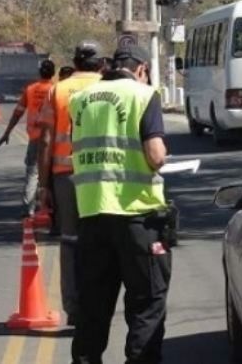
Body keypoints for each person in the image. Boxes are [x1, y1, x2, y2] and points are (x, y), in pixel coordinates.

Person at [69, 44, 170, 364]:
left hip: (92, 213)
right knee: (147, 302)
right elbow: (155, 155)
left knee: (93, 305)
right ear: (142, 69)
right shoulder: (143, 95)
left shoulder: (80, 99)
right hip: (136, 214)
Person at [37, 40, 104, 326]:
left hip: (65, 175)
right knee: (103, 241)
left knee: (70, 241)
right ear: (101, 64)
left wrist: (43, 185)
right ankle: (100, 305)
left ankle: (75, 309)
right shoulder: (108, 87)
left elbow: (46, 140)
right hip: (102, 174)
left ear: (74, 63)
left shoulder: (57, 90)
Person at [0, 59, 56, 217]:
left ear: (39, 72)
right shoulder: (56, 89)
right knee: (53, 172)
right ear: (53, 73)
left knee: (32, 173)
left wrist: (7, 132)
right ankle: (53, 208)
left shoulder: (31, 89)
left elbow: (18, 112)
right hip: (53, 137)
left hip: (35, 137)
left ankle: (29, 209)